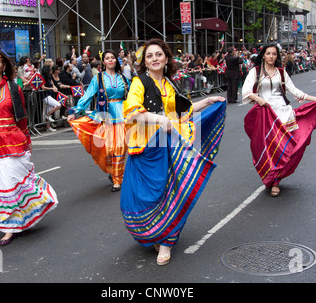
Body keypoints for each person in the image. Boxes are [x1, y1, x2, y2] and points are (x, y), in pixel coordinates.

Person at [120, 38, 226, 266]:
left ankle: (167, 240)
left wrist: (208, 101)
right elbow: (133, 112)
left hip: (172, 145)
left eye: (158, 54)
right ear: (144, 62)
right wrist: (159, 119)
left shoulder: (170, 84)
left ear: (166, 58)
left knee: (174, 191)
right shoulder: (139, 83)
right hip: (146, 147)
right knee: (143, 196)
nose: (154, 59)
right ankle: (156, 230)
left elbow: (185, 109)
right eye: (149, 56)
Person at [0, 49, 58, 245]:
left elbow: (22, 118)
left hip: (12, 141)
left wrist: (26, 140)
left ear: (3, 65)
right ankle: (12, 224)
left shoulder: (13, 88)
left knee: (11, 183)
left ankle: (13, 225)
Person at [242, 44, 316, 197]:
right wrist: (258, 99)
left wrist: (314, 99)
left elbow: (295, 92)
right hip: (265, 115)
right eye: (268, 53)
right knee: (269, 149)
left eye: (274, 54)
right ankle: (272, 177)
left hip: (283, 114)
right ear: (263, 55)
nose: (271, 56)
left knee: (284, 150)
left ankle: (275, 180)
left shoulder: (281, 73)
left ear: (277, 56)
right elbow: (246, 91)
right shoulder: (255, 72)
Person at [67, 49, 130, 192]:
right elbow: (88, 95)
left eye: (113, 57)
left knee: (119, 147)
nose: (110, 60)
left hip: (121, 116)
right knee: (107, 149)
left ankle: (117, 180)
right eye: (107, 58)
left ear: (116, 60)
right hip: (104, 116)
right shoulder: (99, 78)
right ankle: (112, 170)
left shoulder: (123, 78)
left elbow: (132, 97)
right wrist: (74, 110)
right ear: (104, 61)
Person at [40, 65, 62, 132]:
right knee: (58, 105)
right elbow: (43, 87)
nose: (51, 71)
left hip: (50, 94)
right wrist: (52, 88)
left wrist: (54, 87)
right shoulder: (42, 77)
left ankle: (48, 127)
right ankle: (48, 115)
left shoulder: (49, 77)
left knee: (49, 109)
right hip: (45, 95)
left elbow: (52, 84)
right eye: (50, 70)